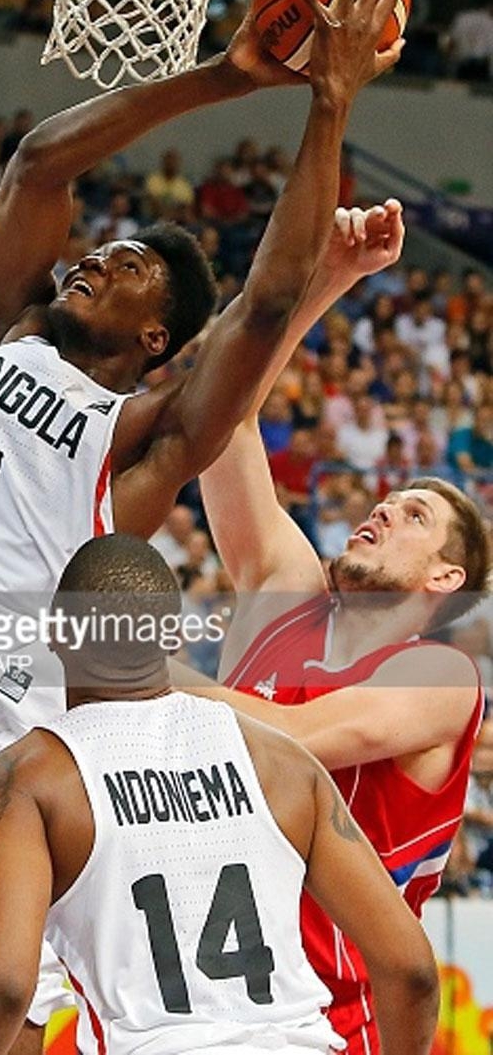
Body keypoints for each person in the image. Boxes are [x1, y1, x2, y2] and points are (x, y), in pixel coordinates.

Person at [0, 0, 405, 1053]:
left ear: (155, 337)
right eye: (107, 245)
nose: (100, 254)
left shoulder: (132, 443)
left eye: (130, 265)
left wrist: (323, 104)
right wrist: (227, 74)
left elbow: (267, 305)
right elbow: (38, 163)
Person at [0, 534, 439, 1055]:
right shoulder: (284, 762)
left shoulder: (27, 778)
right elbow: (412, 970)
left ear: (54, 633)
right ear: (173, 636)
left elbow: (1, 989)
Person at [193, 199, 489, 1054]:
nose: (384, 508)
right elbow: (224, 416)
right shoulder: (285, 592)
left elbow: (291, 737)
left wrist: (141, 672)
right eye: (387, 500)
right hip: (178, 1001)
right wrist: (324, 280)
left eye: (415, 514)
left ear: (445, 575)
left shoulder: (439, 675)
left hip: (323, 1024)